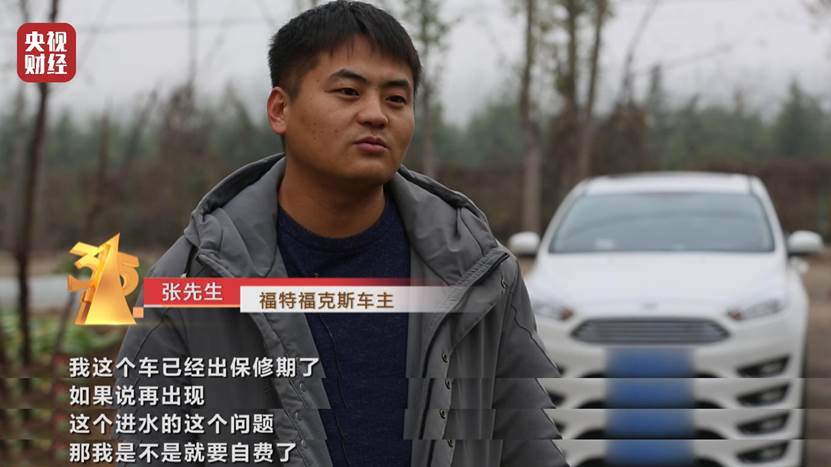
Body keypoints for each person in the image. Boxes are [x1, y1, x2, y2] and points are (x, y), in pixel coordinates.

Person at [116, 2, 567, 466]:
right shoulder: (190, 283)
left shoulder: (477, 273)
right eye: (349, 92)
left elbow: (528, 447)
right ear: (280, 109)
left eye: (396, 99)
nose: (376, 115)